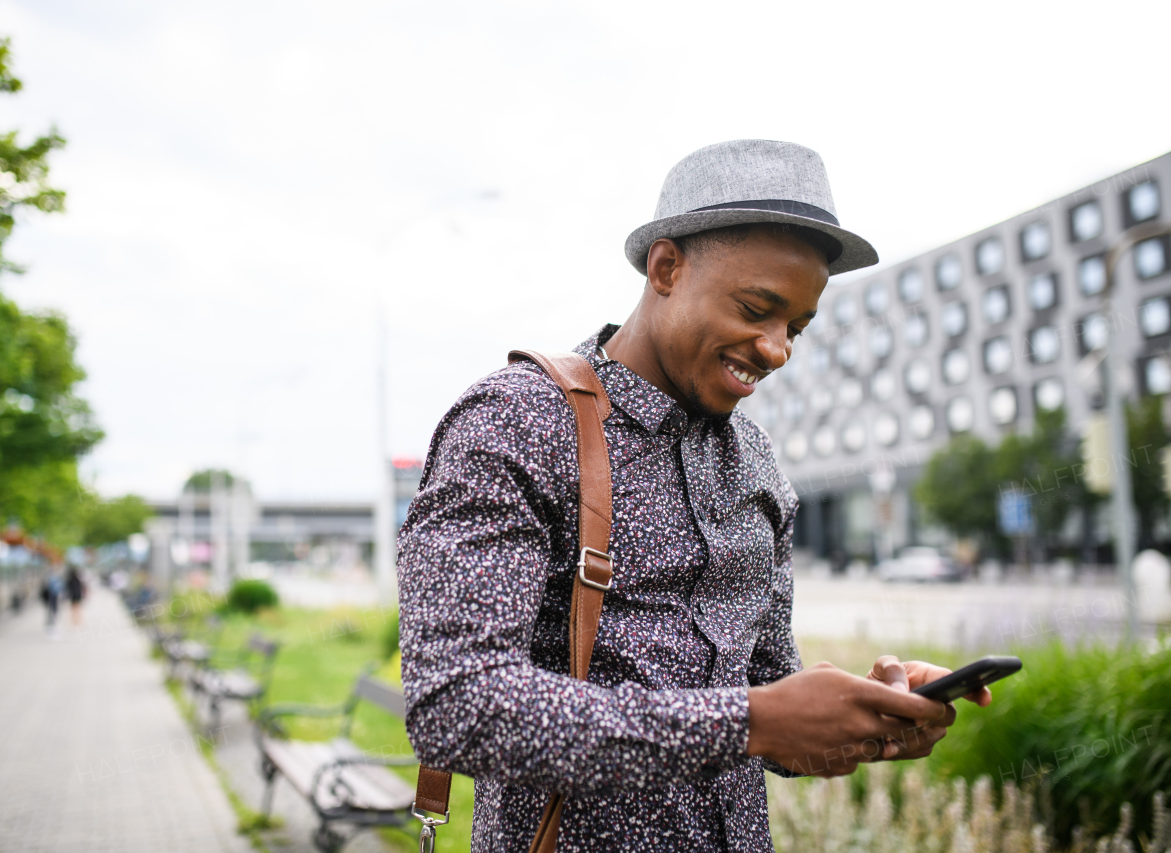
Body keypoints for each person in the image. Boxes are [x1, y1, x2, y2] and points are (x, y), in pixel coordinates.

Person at [397, 140, 993, 852]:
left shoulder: (761, 467)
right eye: (757, 308)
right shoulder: (517, 422)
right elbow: (454, 704)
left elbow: (770, 700)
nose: (777, 350)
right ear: (667, 268)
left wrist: (856, 719)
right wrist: (751, 720)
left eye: (796, 327)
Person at [40, 571, 62, 636]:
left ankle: (51, 624)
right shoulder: (55, 583)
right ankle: (52, 623)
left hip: (50, 600)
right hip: (52, 599)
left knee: (50, 612)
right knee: (52, 611)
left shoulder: (49, 583)